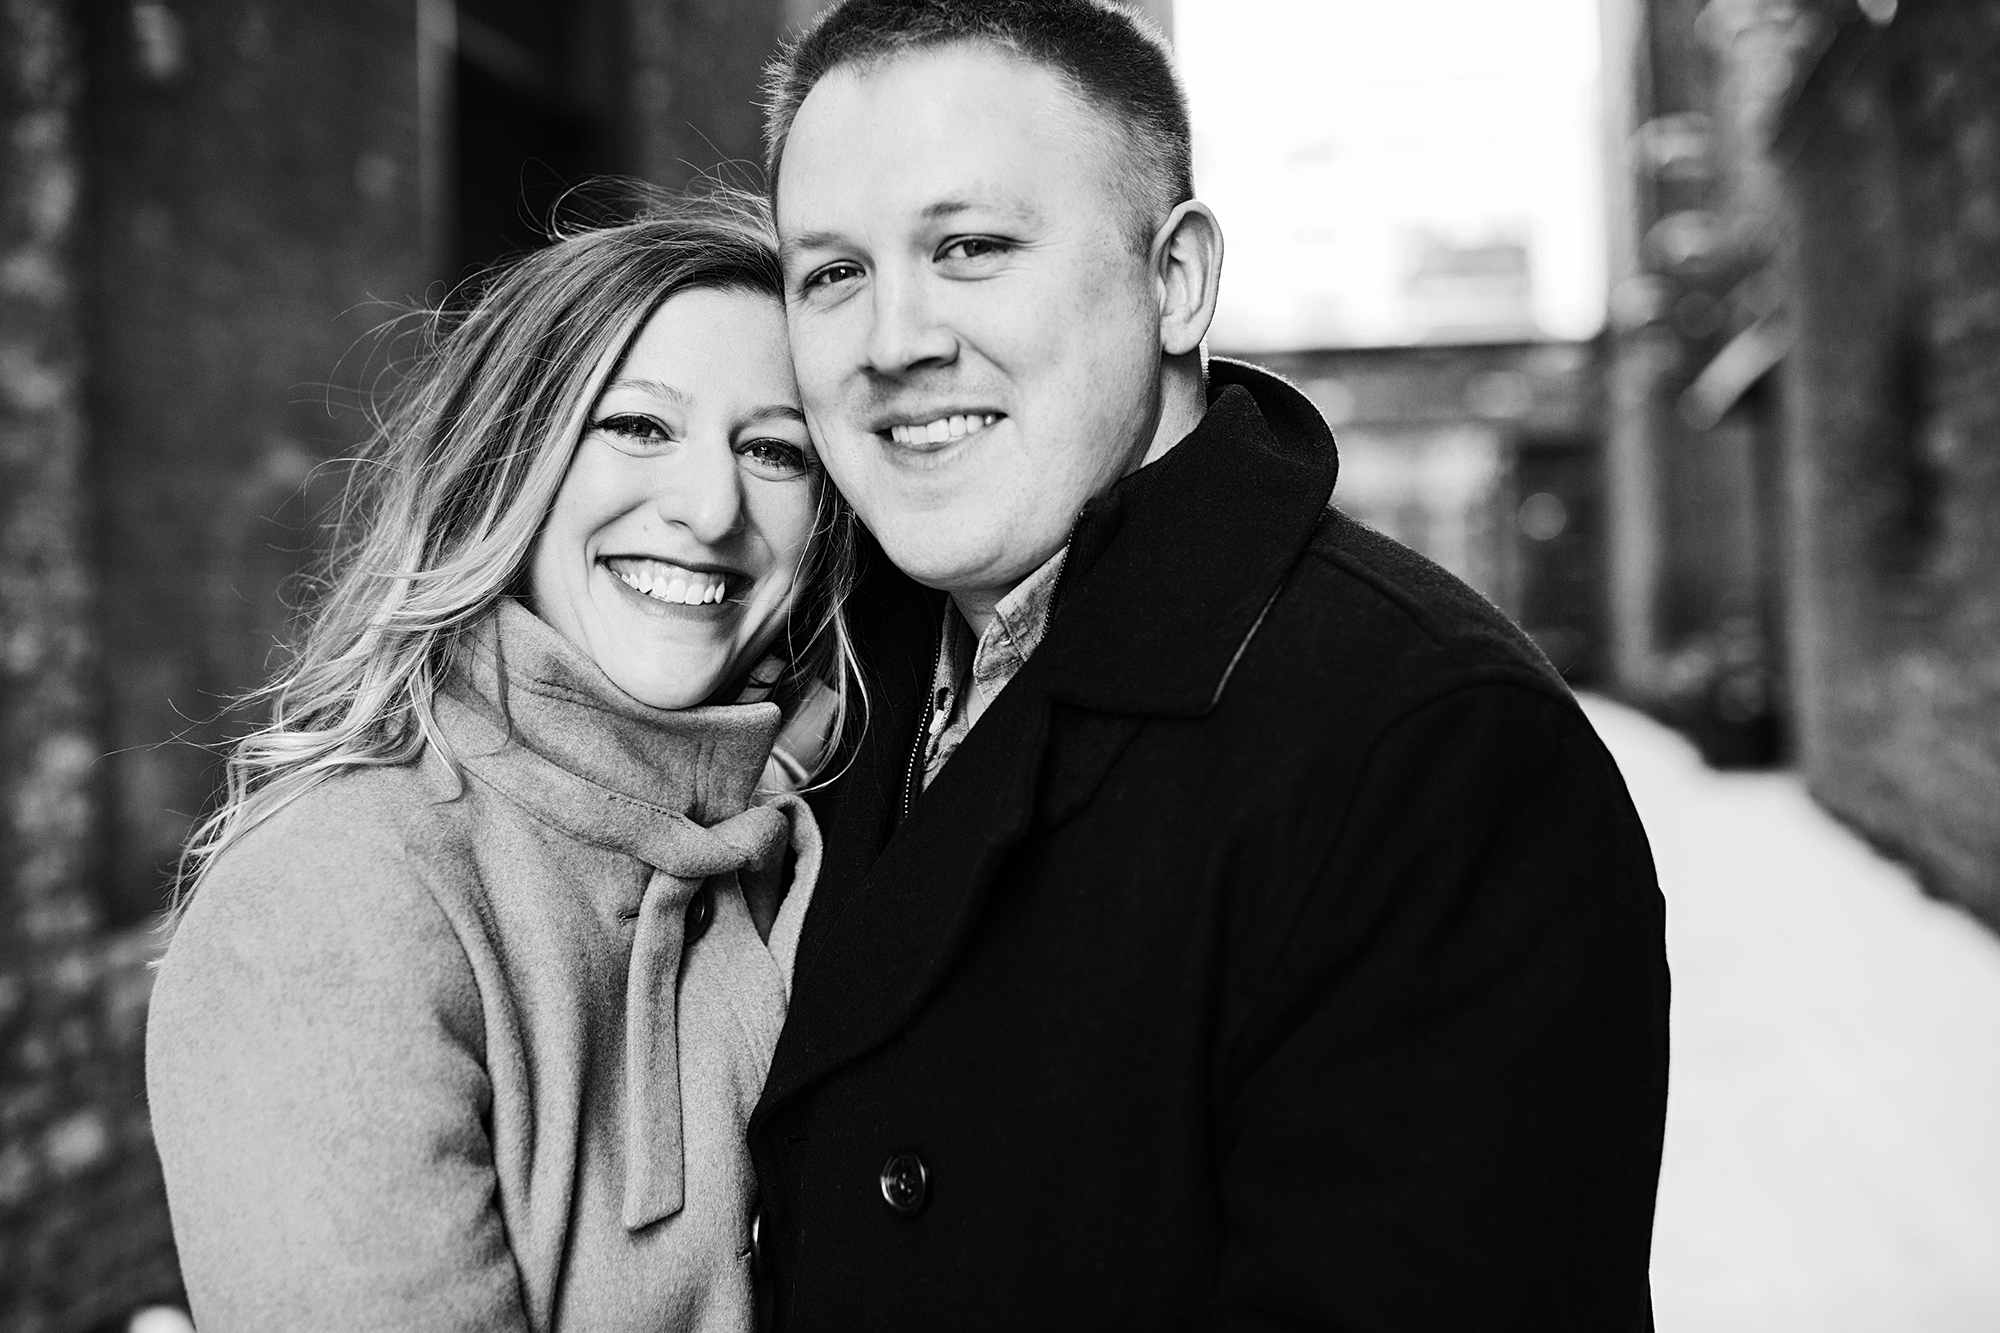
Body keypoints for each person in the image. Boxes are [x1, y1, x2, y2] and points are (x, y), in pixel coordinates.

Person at [749, 2, 1671, 1329]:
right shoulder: (827, 674)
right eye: (832, 273)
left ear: (1176, 280)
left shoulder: (1430, 747)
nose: (893, 341)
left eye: (970, 247)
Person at [146, 201, 859, 1332]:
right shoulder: (330, 900)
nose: (711, 506)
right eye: (636, 426)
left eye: (774, 449)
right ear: (503, 465)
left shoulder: (818, 852)